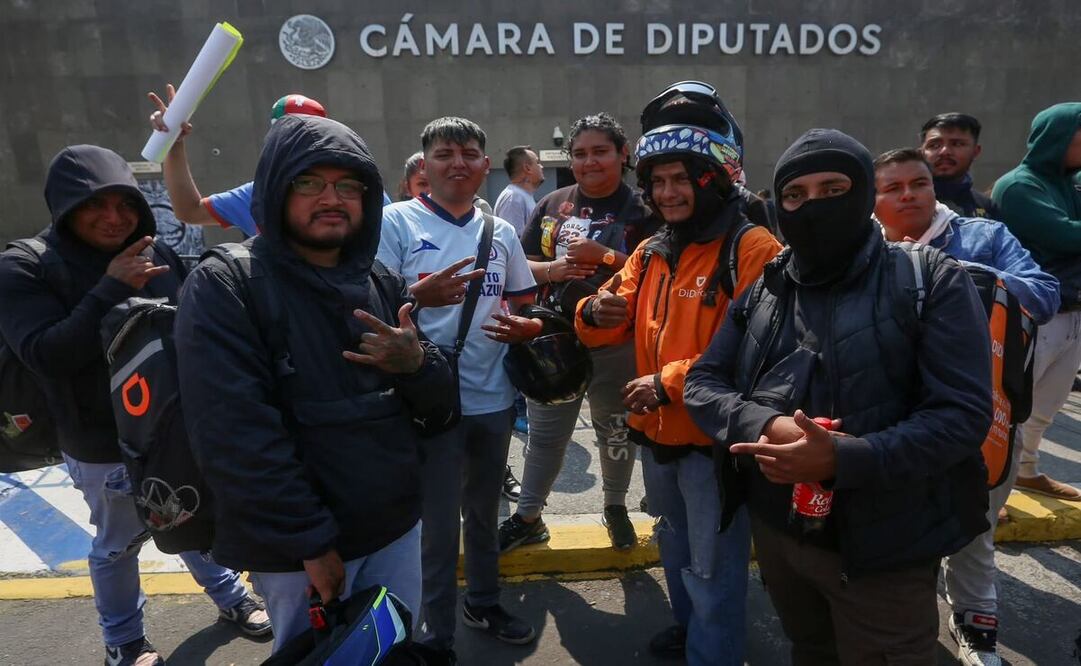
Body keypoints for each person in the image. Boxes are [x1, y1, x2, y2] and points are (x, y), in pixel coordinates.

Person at [685, 129, 993, 665]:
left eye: (833, 188)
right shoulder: (767, 287)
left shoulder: (929, 279)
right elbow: (703, 382)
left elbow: (962, 415)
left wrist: (842, 457)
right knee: (812, 651)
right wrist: (765, 426)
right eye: (795, 195)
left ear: (862, 193)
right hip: (781, 534)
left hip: (886, 542)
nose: (813, 207)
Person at [174, 115, 457, 655]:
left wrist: (417, 362)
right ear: (277, 188)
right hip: (304, 549)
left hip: (395, 529)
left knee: (393, 651)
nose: (332, 198)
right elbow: (235, 433)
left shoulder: (379, 279)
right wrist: (308, 541)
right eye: (310, 182)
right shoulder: (227, 284)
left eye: (349, 185)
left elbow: (441, 407)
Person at [0, 145, 269, 666]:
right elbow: (45, 355)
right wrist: (108, 289)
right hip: (99, 440)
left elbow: (191, 331)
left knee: (187, 514)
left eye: (124, 204)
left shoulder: (157, 253)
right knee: (119, 543)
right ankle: (124, 641)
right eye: (93, 205)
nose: (113, 218)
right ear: (64, 207)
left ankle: (231, 598)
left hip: (172, 426)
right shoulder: (25, 266)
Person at [576, 89, 781, 664]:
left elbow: (755, 351)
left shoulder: (753, 247)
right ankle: (690, 628)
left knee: (713, 561)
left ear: (713, 180)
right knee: (672, 539)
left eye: (680, 180)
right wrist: (592, 311)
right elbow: (606, 313)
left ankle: (712, 651)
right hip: (657, 434)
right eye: (658, 182)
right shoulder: (651, 251)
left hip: (716, 440)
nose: (667, 194)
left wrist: (668, 382)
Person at [874, 147, 1059, 666]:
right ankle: (905, 629)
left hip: (986, 416)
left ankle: (976, 634)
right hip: (896, 416)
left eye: (919, 184)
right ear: (875, 200)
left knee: (974, 531)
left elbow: (1043, 294)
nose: (908, 195)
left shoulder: (984, 238)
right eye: (893, 188)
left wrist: (962, 275)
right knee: (898, 532)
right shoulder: (862, 245)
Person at [377, 117, 542, 666]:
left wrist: (527, 327)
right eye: (445, 153)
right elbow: (362, 302)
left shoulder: (499, 232)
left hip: (492, 399)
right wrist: (414, 293)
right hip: (429, 404)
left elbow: (523, 302)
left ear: (484, 165)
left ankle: (485, 602)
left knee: (484, 512)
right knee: (439, 525)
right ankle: (436, 634)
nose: (458, 163)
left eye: (470, 153)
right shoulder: (393, 222)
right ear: (424, 166)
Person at [502, 112, 658, 553]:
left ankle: (615, 507)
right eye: (580, 153)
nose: (590, 162)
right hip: (553, 342)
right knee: (546, 438)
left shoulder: (645, 209)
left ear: (623, 154)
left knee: (614, 431)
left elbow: (664, 275)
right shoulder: (551, 205)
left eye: (600, 152)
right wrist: (551, 268)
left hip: (619, 344)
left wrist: (605, 255)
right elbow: (519, 263)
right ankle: (529, 516)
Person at [993, 102, 1081, 503]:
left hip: (1074, 311)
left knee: (1046, 407)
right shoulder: (1018, 185)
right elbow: (1064, 237)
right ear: (1058, 138)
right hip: (1034, 314)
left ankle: (1025, 472)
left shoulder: (1069, 186)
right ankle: (990, 487)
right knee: (1011, 409)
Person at [920, 112, 1001, 219]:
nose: (944, 151)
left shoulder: (986, 208)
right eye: (934, 145)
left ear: (975, 151)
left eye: (957, 144)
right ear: (921, 152)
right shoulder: (906, 203)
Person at [494, 145, 544, 237]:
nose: (541, 166)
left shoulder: (521, 196)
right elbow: (512, 241)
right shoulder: (513, 198)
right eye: (537, 162)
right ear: (527, 168)